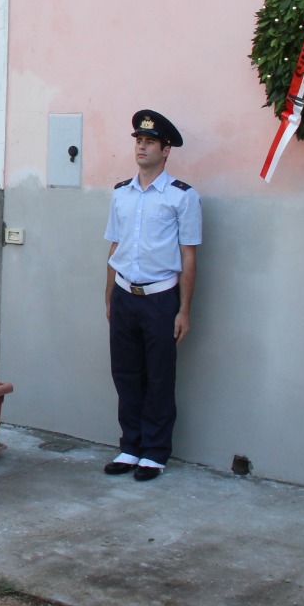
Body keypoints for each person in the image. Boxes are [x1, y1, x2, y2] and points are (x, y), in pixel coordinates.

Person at [102, 110, 202, 482]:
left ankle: (155, 452)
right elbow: (115, 245)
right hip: (125, 295)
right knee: (125, 374)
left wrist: (184, 310)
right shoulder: (121, 193)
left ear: (166, 150)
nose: (141, 147)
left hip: (160, 299)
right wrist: (109, 295)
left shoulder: (182, 197)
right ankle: (131, 446)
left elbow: (188, 256)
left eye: (150, 142)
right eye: (139, 141)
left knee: (159, 377)